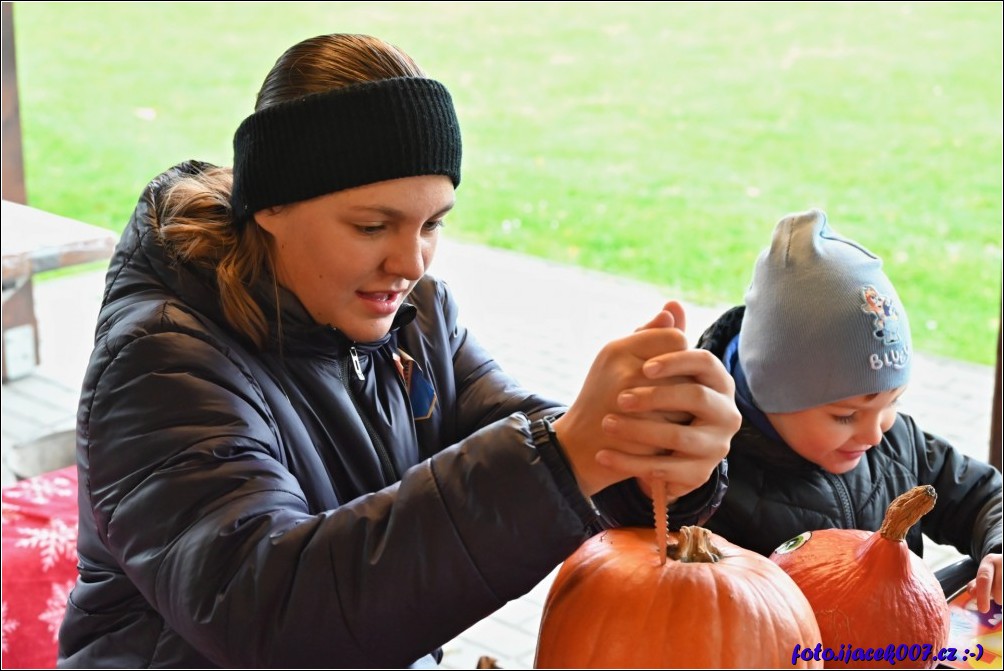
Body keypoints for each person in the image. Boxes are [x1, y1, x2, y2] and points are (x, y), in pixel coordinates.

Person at [56, 34, 740, 668]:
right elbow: (267, 608)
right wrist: (567, 455)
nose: (410, 262)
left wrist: (646, 456)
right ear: (269, 205)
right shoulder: (158, 359)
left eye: (433, 224)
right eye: (371, 225)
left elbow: (517, 430)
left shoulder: (413, 319)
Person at [697, 208, 1002, 612]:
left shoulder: (896, 443)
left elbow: (982, 496)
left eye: (891, 402)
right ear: (771, 391)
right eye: (845, 415)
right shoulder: (707, 482)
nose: (875, 433)